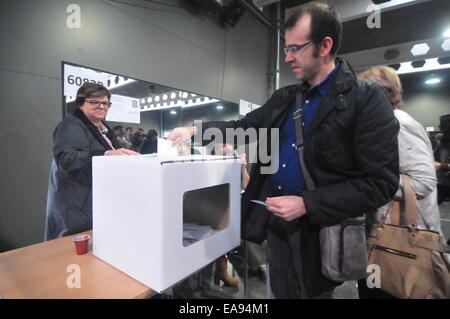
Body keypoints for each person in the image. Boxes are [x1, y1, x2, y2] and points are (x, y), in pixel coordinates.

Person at [168, 1, 399, 299]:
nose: (287, 57)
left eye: (296, 48)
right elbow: (244, 125)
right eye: (285, 48)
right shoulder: (286, 98)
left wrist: (308, 204)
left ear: (325, 45)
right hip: (277, 227)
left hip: (320, 232)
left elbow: (379, 184)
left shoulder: (365, 100)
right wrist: (194, 130)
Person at [358, 66, 442, 298]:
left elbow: (423, 181)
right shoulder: (384, 122)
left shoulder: (398, 123)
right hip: (389, 238)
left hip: (402, 241)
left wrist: (370, 183)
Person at [45, 83, 139, 240]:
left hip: (96, 204)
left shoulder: (103, 130)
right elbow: (68, 159)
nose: (101, 106)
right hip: (76, 208)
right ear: (81, 104)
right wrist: (106, 154)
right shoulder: (70, 125)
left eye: (105, 103)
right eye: (94, 102)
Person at [434, 114, 450, 204]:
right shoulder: (444, 141)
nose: (439, 126)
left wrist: (442, 165)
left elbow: (440, 164)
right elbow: (435, 158)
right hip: (442, 183)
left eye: (441, 124)